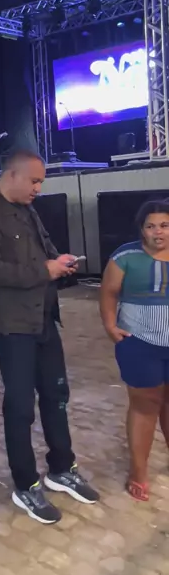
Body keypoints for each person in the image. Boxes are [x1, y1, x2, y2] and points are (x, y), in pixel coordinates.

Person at [0, 150, 99, 524]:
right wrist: (45, 270)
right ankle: (25, 484)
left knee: (56, 394)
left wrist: (60, 262)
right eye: (34, 181)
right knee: (21, 405)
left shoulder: (26, 209)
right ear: (12, 175)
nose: (39, 188)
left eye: (41, 182)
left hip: (42, 316)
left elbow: (42, 249)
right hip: (11, 323)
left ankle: (61, 468)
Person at [100, 200, 169, 501]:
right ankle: (138, 471)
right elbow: (108, 292)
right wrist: (110, 326)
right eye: (151, 226)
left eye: (164, 225)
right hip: (139, 342)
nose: (158, 232)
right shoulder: (124, 256)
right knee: (145, 404)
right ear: (141, 229)